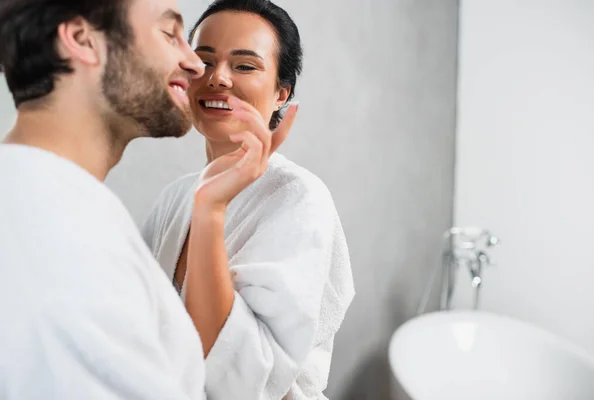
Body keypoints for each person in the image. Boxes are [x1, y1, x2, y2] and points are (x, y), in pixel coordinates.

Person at [0, 0, 294, 398]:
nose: (195, 67)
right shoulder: (61, 249)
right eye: (170, 34)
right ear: (83, 40)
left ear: (282, 92)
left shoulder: (55, 208)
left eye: (243, 65)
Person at [141, 0, 355, 398]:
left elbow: (243, 381)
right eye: (204, 61)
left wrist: (211, 210)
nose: (218, 78)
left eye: (244, 65)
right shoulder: (175, 198)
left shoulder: (298, 198)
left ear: (280, 93)